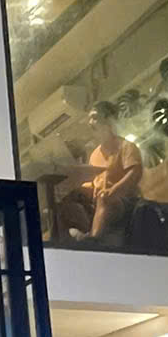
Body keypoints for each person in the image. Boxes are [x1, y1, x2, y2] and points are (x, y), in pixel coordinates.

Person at [57, 104, 143, 246]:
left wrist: (114, 191)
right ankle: (68, 240)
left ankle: (93, 241)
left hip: (124, 202)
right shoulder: (95, 154)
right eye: (90, 119)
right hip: (100, 201)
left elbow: (135, 173)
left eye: (95, 117)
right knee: (66, 199)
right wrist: (75, 190)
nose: (90, 122)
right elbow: (94, 184)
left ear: (108, 120)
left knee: (104, 198)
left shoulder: (126, 146)